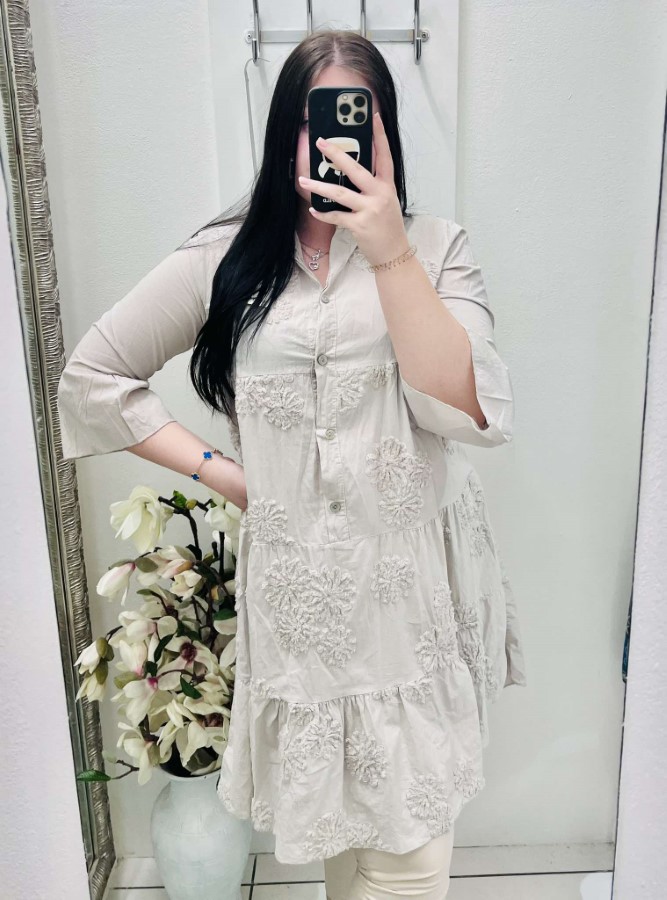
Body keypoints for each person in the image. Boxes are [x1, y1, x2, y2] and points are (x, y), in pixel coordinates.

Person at [57, 29, 527, 900]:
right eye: (317, 120)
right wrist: (225, 475)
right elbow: (93, 377)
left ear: (383, 133)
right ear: (285, 134)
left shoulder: (436, 248)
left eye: (356, 117)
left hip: (406, 616)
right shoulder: (226, 258)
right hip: (301, 621)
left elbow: (459, 407)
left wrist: (389, 250)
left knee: (407, 866)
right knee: (343, 863)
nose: (334, 140)